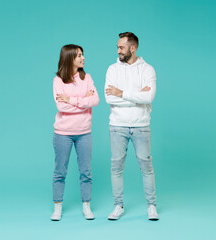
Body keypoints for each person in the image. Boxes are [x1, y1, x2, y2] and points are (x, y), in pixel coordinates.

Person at [105, 32, 159, 220]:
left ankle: (151, 206)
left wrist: (121, 93)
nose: (118, 50)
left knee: (146, 166)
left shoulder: (148, 70)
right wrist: (136, 95)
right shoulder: (112, 69)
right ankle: (118, 205)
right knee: (116, 168)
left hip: (141, 125)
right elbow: (108, 97)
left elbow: (149, 97)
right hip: (117, 125)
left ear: (132, 48)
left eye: (121, 47)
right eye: (118, 47)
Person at [50, 44, 99, 221]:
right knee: (60, 172)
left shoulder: (88, 78)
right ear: (69, 58)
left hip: (84, 132)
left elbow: (95, 100)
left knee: (86, 171)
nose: (83, 58)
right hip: (63, 133)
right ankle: (57, 207)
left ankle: (86, 206)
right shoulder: (58, 80)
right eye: (79, 55)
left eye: (82, 54)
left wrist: (71, 100)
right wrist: (83, 101)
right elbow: (60, 106)